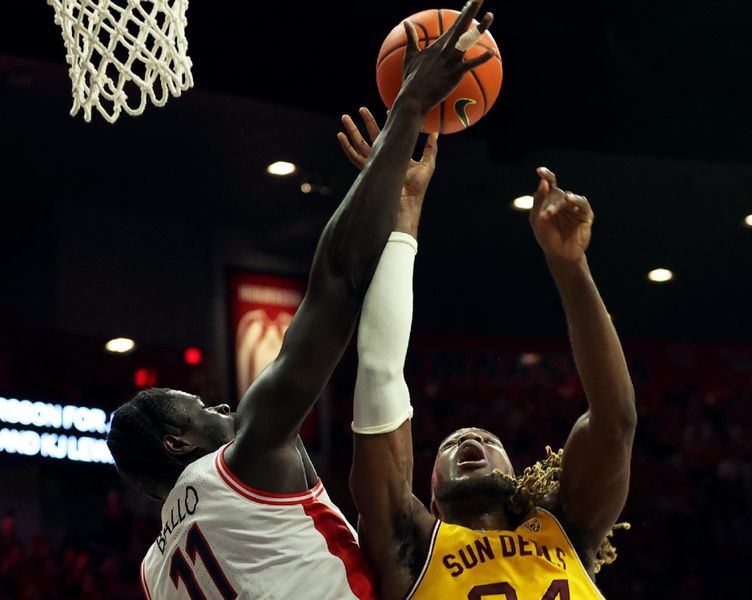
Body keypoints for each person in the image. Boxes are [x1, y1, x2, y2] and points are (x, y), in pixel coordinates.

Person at [104, 3, 497, 598]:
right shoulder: (244, 459)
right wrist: (407, 110)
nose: (224, 411)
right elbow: (336, 280)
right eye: (203, 409)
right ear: (177, 443)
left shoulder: (155, 572)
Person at [343, 149, 637, 598]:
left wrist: (570, 265)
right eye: (453, 444)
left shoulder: (568, 530)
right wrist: (402, 222)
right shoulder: (412, 544)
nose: (472, 442)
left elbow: (615, 420)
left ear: (519, 476)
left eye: (489, 441)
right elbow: (380, 374)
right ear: (432, 497)